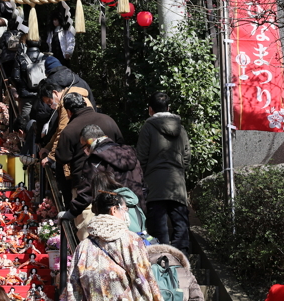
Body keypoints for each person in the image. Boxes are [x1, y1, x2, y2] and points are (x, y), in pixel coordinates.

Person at [136, 92, 191, 254]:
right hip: (177, 184)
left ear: (150, 110)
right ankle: (182, 262)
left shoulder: (148, 128)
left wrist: (144, 177)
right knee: (181, 224)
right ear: (169, 108)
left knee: (158, 228)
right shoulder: (180, 128)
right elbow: (187, 157)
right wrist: (179, 171)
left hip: (155, 185)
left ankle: (162, 263)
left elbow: (141, 158)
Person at [62, 125, 144, 227]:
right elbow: (141, 182)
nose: (84, 150)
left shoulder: (95, 160)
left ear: (91, 141)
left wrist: (71, 212)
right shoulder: (129, 153)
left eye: (84, 146)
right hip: (136, 212)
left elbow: (87, 192)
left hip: (112, 214)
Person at [55, 93, 124, 186]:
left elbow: (62, 157)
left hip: (84, 183)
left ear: (68, 112)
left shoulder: (69, 130)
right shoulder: (108, 120)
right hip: (112, 179)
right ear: (85, 104)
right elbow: (121, 144)